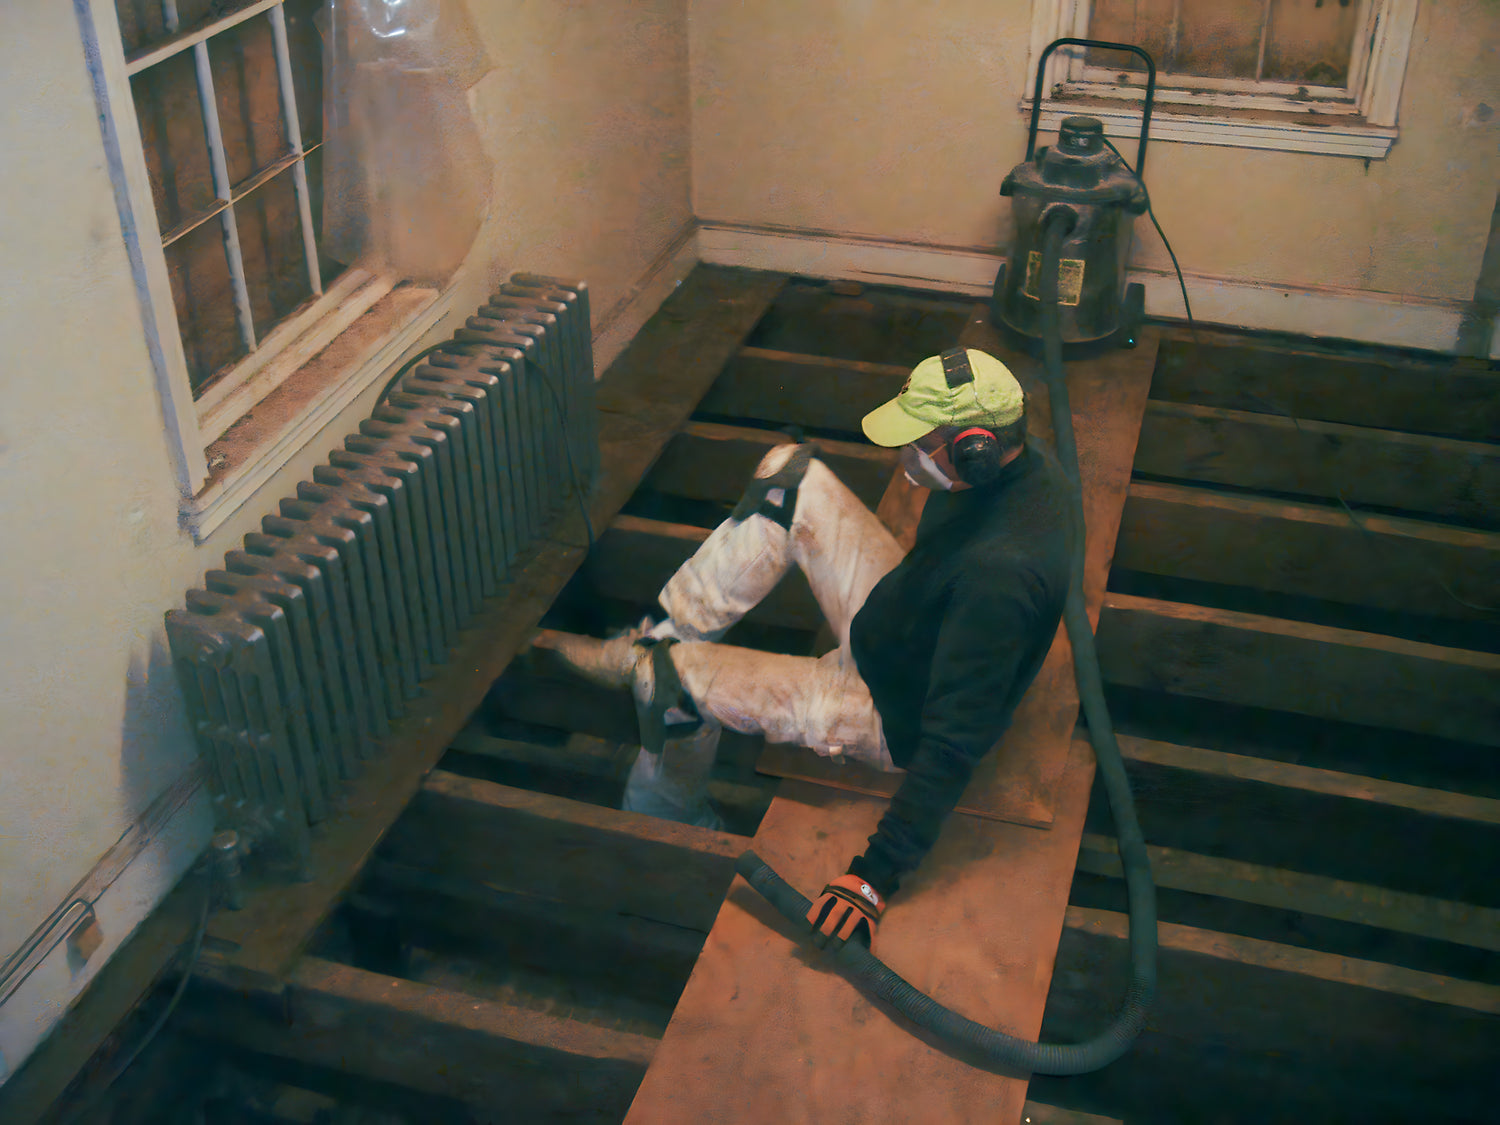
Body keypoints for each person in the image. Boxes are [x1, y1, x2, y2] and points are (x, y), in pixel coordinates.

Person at [533, 346, 1073, 949]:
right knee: (789, 475)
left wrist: (874, 876)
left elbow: (952, 744)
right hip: (904, 624)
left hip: (888, 710)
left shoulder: (998, 579)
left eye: (919, 444)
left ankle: (667, 829)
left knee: (669, 683)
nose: (905, 459)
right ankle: (654, 638)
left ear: (974, 448)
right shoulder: (1014, 468)